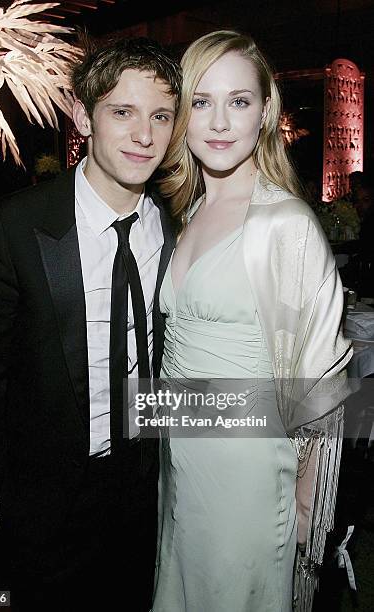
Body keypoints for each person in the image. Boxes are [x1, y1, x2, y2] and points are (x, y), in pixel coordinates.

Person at [0, 37, 181, 611]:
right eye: (122, 112)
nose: (144, 135)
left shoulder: (180, 229)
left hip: (148, 492)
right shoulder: (14, 225)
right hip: (44, 499)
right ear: (83, 115)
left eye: (160, 116)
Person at [151, 30, 352, 612]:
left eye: (238, 101)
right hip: (181, 462)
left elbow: (322, 388)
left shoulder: (282, 223)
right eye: (201, 101)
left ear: (265, 112)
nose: (219, 122)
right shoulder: (188, 211)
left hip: (246, 477)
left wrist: (308, 512)